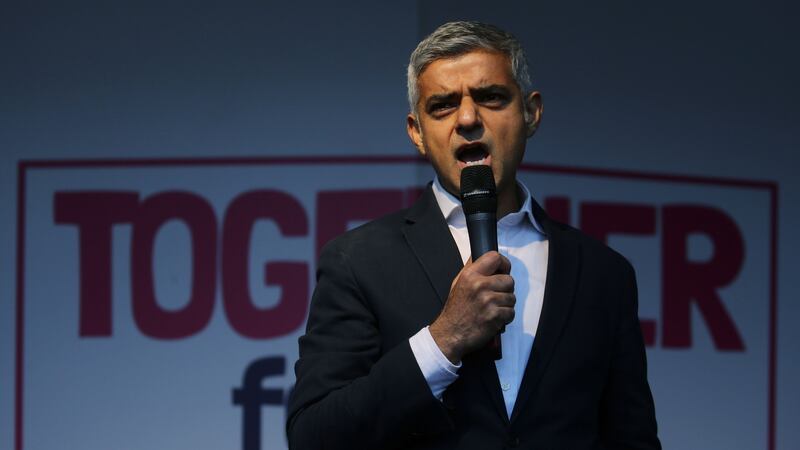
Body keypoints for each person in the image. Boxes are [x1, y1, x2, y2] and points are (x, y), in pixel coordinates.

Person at [287, 21, 661, 450]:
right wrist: (444, 338)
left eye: (490, 97)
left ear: (531, 113)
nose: (467, 118)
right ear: (416, 133)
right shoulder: (358, 261)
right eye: (443, 106)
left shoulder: (604, 273)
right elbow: (314, 436)